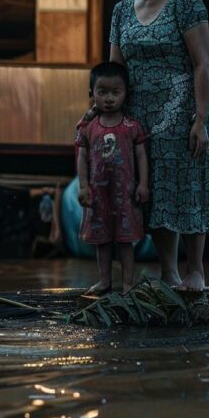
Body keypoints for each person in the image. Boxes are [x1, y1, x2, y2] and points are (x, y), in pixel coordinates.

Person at [107, 0, 209, 291]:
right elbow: (115, 70)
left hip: (182, 111)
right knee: (153, 195)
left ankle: (196, 270)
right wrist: (103, 113)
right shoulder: (121, 11)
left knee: (187, 188)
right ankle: (168, 272)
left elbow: (202, 62)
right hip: (139, 118)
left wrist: (200, 119)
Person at [76, 62, 149, 295]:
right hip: (99, 195)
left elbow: (141, 156)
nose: (109, 98)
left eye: (115, 93)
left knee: (125, 241)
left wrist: (143, 184)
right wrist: (83, 186)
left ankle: (128, 283)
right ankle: (104, 281)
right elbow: (82, 156)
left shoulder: (132, 127)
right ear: (92, 94)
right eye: (102, 92)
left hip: (125, 195)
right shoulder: (88, 127)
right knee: (102, 241)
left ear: (126, 94)